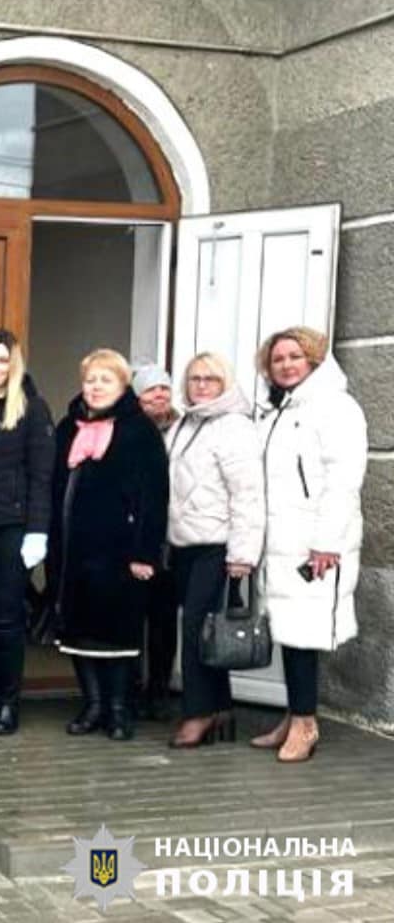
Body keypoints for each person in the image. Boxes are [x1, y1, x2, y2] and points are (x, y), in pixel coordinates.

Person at [251, 327, 367, 763]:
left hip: (312, 545)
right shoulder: (276, 410)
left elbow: (343, 481)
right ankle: (292, 714)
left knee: (304, 633)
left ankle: (305, 724)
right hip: (280, 541)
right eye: (277, 358)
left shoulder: (335, 407)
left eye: (294, 356)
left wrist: (325, 542)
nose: (285, 364)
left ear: (314, 360)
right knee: (287, 631)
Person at [50, 349, 169, 742]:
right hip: (74, 551)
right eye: (90, 380)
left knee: (116, 633)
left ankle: (119, 709)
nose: (96, 387)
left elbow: (154, 496)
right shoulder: (69, 427)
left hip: (120, 552)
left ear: (122, 386)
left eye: (106, 380)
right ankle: (93, 705)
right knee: (79, 633)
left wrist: (144, 552)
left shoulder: (140, 431)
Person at [165, 352, 264, 748]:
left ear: (225, 383)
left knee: (194, 631)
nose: (201, 385)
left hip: (217, 545)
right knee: (206, 633)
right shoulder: (185, 424)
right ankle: (220, 706)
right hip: (184, 543)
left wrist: (242, 554)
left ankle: (198, 714)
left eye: (210, 379)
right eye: (194, 379)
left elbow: (248, 495)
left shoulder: (234, 428)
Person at [0, 328, 54, 735]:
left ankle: (9, 702)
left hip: (11, 529)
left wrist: (37, 531)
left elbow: (41, 476)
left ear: (13, 364)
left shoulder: (32, 410)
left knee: (6, 619)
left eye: (3, 361)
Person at [131, 362, 181, 720]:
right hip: (137, 536)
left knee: (164, 620)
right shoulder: (130, 431)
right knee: (133, 617)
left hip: (173, 537)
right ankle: (132, 687)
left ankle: (159, 688)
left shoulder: (185, 429)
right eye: (151, 390)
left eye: (164, 388)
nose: (160, 395)